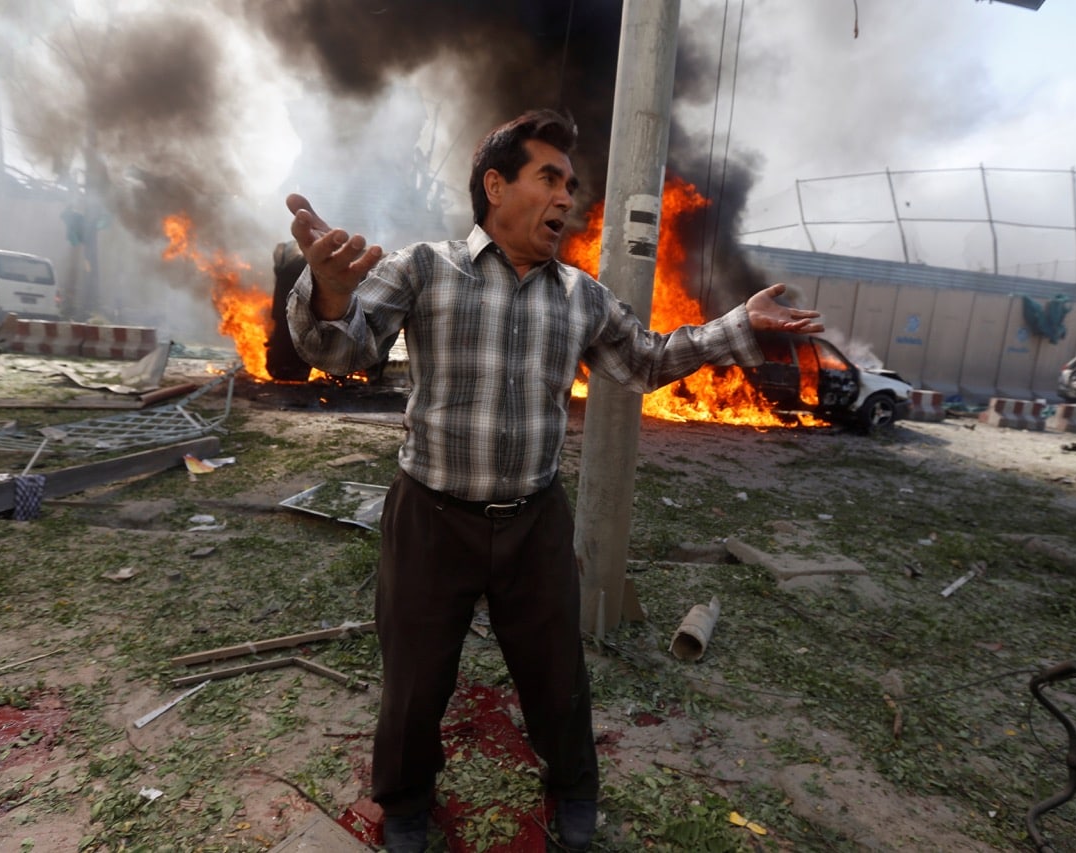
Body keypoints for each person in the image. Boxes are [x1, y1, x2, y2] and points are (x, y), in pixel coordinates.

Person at [286, 108, 823, 853]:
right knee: (413, 680)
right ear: (495, 186)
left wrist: (739, 323)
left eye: (570, 184)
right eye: (550, 179)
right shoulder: (421, 268)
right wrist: (331, 293)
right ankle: (406, 802)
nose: (568, 199)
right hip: (430, 516)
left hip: (534, 517)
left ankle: (573, 787)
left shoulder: (582, 295)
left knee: (557, 676)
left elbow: (647, 360)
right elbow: (342, 352)